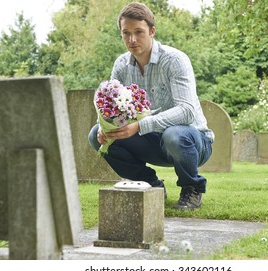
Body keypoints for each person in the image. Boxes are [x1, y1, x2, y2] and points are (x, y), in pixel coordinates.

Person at [88, 2, 214, 210]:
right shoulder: (121, 65)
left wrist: (140, 125)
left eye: (139, 32)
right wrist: (105, 128)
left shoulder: (175, 60)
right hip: (150, 141)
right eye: (126, 33)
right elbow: (112, 109)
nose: (132, 39)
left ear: (152, 31)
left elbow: (187, 110)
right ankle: (150, 185)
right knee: (96, 136)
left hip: (191, 141)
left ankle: (192, 188)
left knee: (174, 135)